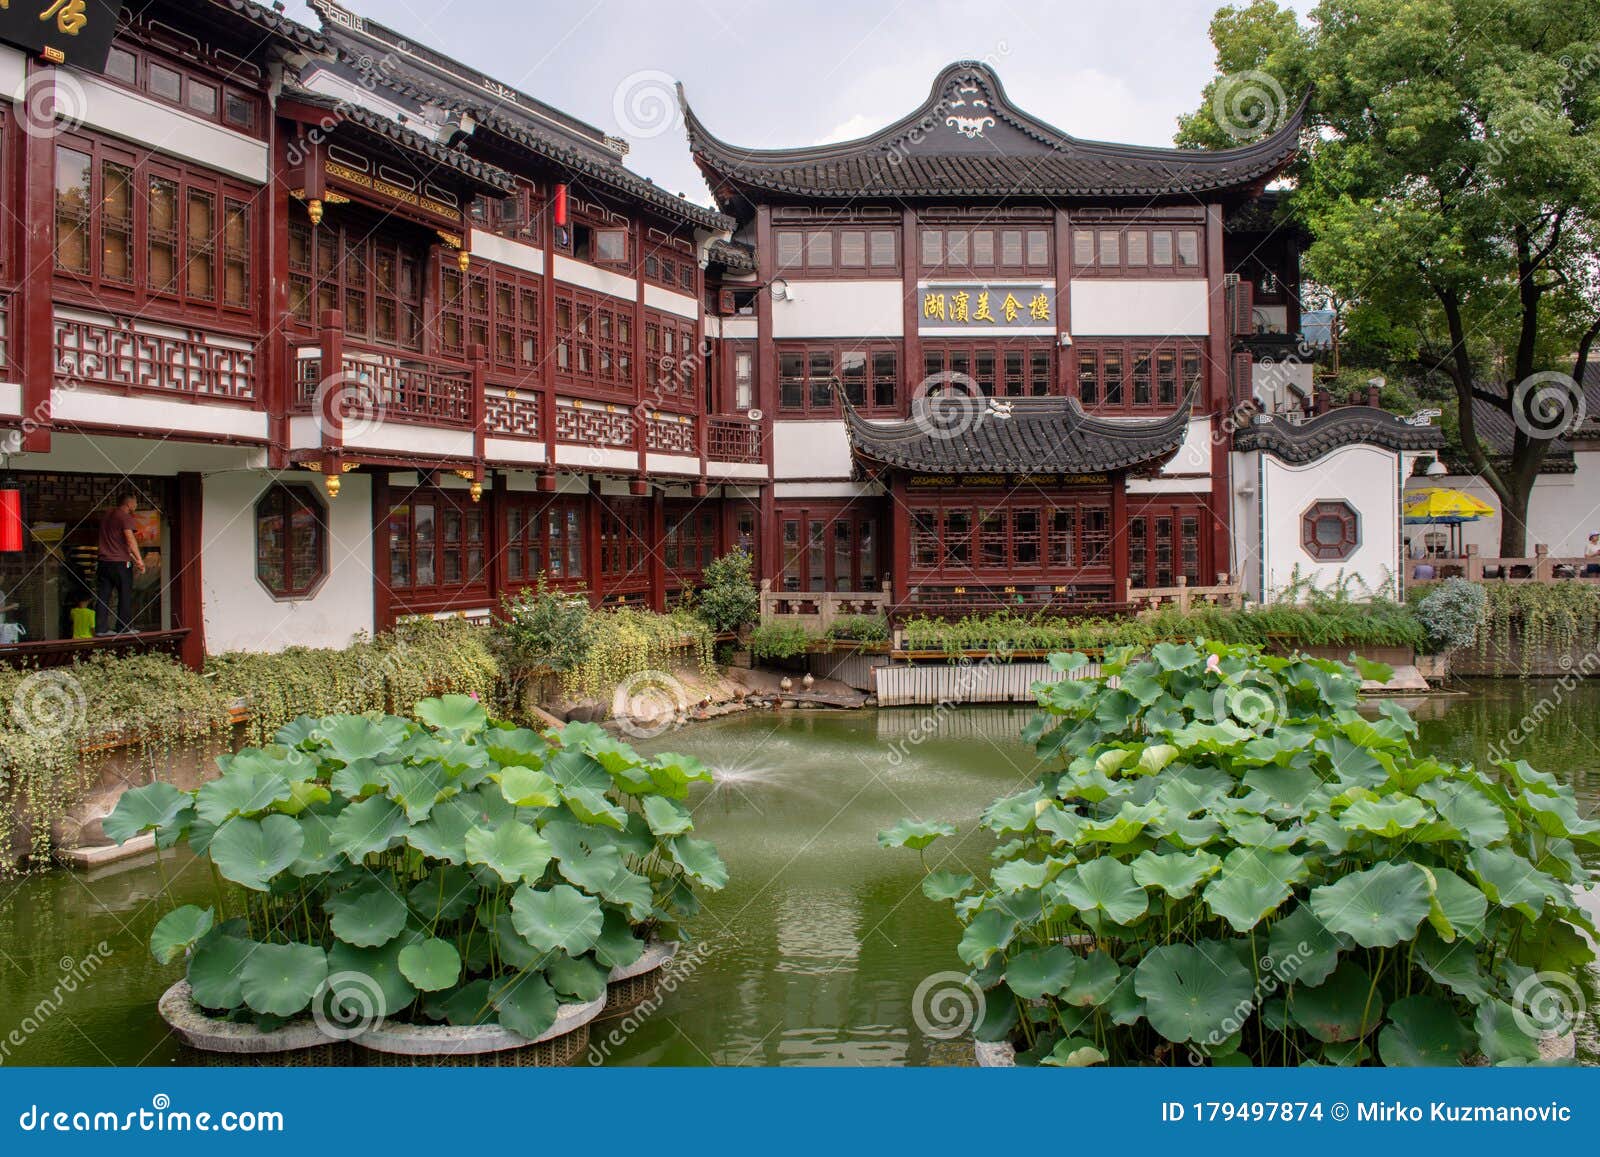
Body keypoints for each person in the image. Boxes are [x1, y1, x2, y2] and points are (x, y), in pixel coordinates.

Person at [95, 493, 145, 634]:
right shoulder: (125, 517)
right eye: (135, 503)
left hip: (104, 562)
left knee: (103, 595)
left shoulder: (107, 515)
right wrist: (139, 560)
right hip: (120, 563)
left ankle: (101, 629)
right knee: (125, 594)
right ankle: (124, 627)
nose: (136, 506)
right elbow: (130, 539)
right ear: (129, 503)